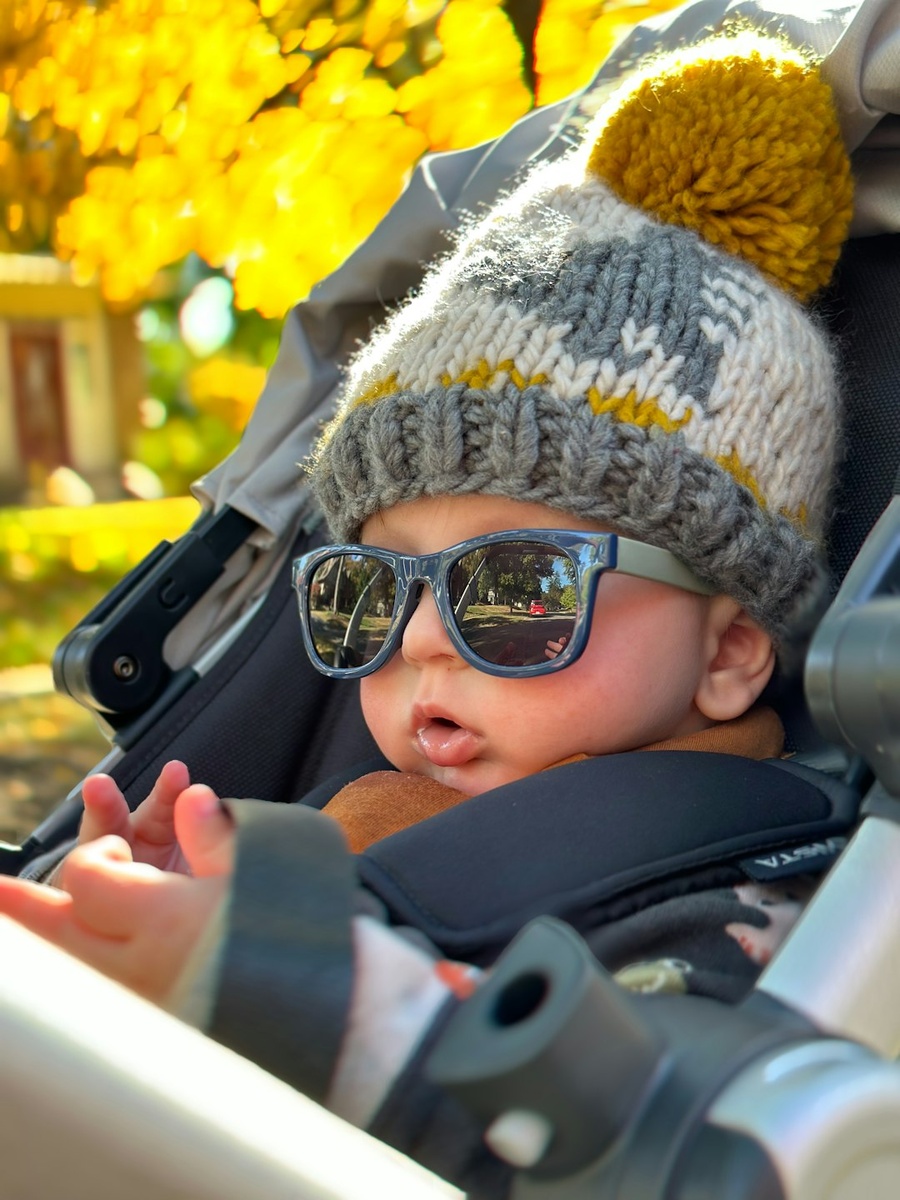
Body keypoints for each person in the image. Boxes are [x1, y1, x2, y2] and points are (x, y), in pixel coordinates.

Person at [0, 30, 855, 1196]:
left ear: (731, 653)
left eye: (514, 588)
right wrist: (160, 908)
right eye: (370, 589)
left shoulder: (761, 909)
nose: (418, 642)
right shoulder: (365, 807)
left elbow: (656, 1147)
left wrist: (283, 986)